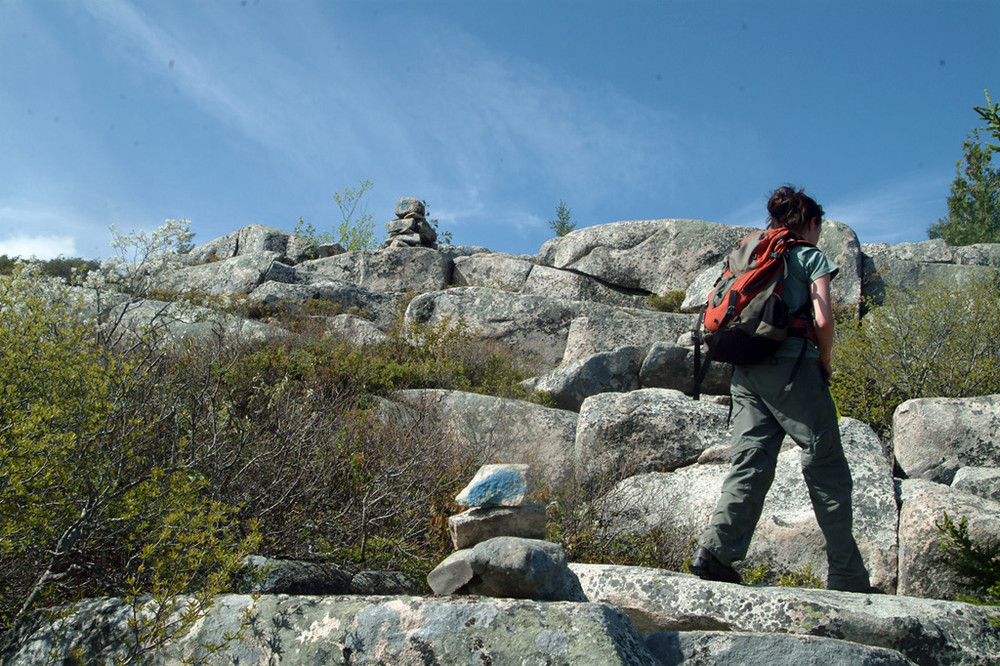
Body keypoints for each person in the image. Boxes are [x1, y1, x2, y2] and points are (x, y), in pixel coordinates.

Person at [689, 185, 873, 592]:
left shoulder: (748, 253)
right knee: (827, 465)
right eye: (818, 228)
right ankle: (847, 575)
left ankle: (716, 553)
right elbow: (823, 320)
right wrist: (824, 363)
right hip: (791, 366)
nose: (819, 235)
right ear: (811, 223)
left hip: (745, 369)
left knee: (749, 462)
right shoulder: (808, 255)